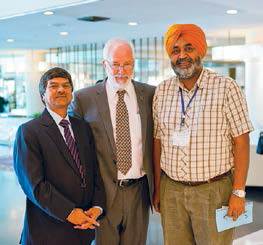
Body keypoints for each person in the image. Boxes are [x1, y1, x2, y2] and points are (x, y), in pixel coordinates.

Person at [152, 24, 253, 245]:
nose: (182, 56)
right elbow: (158, 142)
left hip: (214, 191)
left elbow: (241, 143)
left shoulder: (226, 87)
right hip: (172, 191)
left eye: (189, 48)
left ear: (201, 51)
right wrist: (159, 189)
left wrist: (239, 192)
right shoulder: (162, 91)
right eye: (176, 50)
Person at [69, 38, 155, 245]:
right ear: (104, 64)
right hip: (102, 194)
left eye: (127, 64)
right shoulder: (83, 99)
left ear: (133, 64)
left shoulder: (151, 94)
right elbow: (73, 151)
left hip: (139, 191)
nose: (121, 70)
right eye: (115, 64)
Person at [13, 67, 105, 245]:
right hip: (47, 231)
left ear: (71, 92)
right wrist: (70, 213)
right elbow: (35, 186)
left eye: (66, 85)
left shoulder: (83, 128)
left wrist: (97, 207)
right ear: (42, 95)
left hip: (82, 230)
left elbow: (94, 173)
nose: (61, 90)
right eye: (53, 86)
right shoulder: (29, 132)